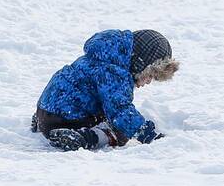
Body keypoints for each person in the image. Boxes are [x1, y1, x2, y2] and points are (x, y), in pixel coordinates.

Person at [31, 29, 179, 151]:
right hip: (66, 119)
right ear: (140, 64)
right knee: (120, 129)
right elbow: (120, 110)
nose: (148, 82)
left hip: (46, 111)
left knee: (104, 109)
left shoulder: (103, 56)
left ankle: (42, 123)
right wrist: (147, 134)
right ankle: (83, 137)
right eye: (150, 75)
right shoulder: (115, 73)